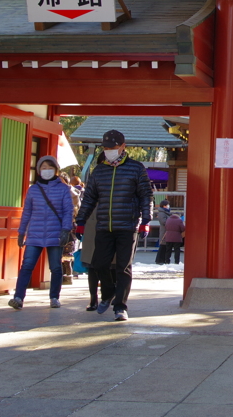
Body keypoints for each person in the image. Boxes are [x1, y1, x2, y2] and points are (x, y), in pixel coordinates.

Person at [74, 130, 154, 322]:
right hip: (104, 225)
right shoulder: (99, 170)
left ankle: (120, 306)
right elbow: (89, 198)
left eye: (113, 147)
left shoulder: (136, 168)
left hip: (127, 225)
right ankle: (108, 292)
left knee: (123, 267)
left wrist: (145, 220)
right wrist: (81, 221)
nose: (109, 151)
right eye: (106, 148)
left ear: (123, 147)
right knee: (99, 263)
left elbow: (146, 194)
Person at [8, 156, 74, 310]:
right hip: (35, 233)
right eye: (43, 168)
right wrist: (21, 232)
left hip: (55, 232)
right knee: (27, 265)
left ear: (56, 170)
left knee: (56, 267)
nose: (46, 170)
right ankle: (18, 297)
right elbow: (27, 212)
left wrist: (65, 229)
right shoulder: (33, 190)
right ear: (39, 170)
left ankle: (54, 297)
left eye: (49, 167)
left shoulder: (63, 189)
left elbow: (67, 211)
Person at [154, 200, 174, 265]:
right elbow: (163, 222)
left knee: (165, 246)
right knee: (163, 246)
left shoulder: (165, 213)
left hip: (166, 231)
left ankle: (162, 259)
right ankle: (159, 259)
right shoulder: (162, 213)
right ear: (164, 206)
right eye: (167, 205)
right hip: (164, 231)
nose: (168, 206)